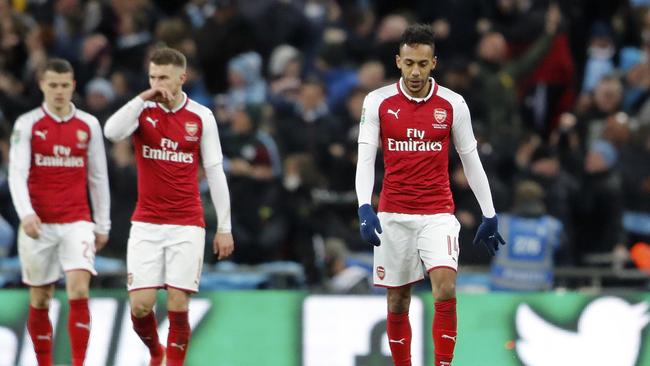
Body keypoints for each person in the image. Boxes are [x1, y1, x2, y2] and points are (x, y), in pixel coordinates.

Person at [355, 24, 505, 366]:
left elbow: (471, 159)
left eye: (422, 64)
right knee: (397, 302)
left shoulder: (453, 104)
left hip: (437, 213)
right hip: (393, 214)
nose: (415, 71)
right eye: (409, 63)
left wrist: (489, 212)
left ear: (433, 63)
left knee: (446, 288)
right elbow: (366, 157)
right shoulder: (377, 101)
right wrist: (365, 206)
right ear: (398, 61)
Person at [104, 47, 234, 366]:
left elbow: (215, 171)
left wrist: (224, 227)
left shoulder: (201, 116)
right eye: (153, 76)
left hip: (187, 223)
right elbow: (111, 131)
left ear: (182, 78)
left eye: (164, 77)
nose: (158, 83)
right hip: (147, 222)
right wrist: (142, 97)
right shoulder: (142, 112)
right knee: (141, 306)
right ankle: (155, 352)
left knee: (178, 302)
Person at [8, 58, 111, 366]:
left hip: (77, 221)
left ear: (73, 86)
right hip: (39, 223)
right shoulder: (27, 124)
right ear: (42, 85)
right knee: (41, 298)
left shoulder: (88, 125)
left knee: (79, 288)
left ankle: (78, 363)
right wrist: (26, 213)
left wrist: (102, 223)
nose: (59, 91)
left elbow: (98, 176)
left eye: (64, 85)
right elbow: (17, 173)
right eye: (53, 85)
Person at [490, 180, 563, 291]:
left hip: (502, 288)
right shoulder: (553, 226)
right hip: (539, 289)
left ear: (516, 200)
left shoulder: (500, 222)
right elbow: (563, 257)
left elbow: (481, 251)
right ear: (541, 200)